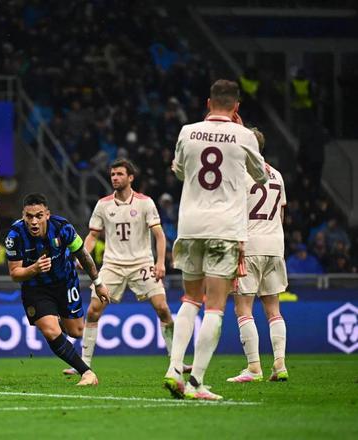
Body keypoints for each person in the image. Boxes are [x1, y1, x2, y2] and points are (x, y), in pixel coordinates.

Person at [163, 79, 268, 401]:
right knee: (215, 306)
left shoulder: (187, 131)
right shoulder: (244, 135)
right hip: (225, 228)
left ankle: (174, 368)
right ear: (236, 107)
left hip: (190, 225)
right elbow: (261, 177)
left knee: (190, 299)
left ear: (208, 103)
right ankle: (196, 383)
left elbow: (179, 171)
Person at [62, 158, 187, 375]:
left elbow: (159, 235)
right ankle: (84, 364)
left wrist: (160, 262)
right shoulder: (103, 204)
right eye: (112, 174)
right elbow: (92, 236)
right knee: (93, 311)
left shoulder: (145, 202)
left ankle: (176, 362)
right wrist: (82, 256)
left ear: (130, 178)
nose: (115, 178)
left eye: (119, 174)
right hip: (113, 265)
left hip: (142, 263)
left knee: (162, 308)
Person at [6, 193, 111, 386]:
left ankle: (58, 318)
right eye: (29, 216)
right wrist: (34, 269)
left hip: (65, 283)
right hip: (35, 288)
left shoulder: (63, 228)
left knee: (77, 332)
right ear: (23, 216)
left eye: (39, 216)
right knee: (51, 331)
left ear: (47, 214)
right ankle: (87, 373)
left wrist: (98, 283)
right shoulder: (15, 235)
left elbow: (83, 255)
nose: (34, 222)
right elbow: (14, 273)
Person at [227, 128, 289, 384]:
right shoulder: (277, 175)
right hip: (275, 246)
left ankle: (254, 367)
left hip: (248, 246)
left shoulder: (240, 175)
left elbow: (232, 215)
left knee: (243, 308)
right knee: (273, 309)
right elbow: (281, 215)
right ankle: (280, 364)